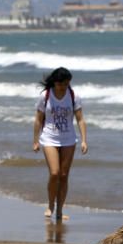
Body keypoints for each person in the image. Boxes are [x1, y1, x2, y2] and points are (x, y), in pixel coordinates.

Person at [32, 67, 87, 221]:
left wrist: (84, 140)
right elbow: (37, 120)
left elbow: (80, 119)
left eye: (67, 84)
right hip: (49, 138)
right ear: (55, 83)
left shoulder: (74, 95)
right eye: (61, 84)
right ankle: (50, 205)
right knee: (54, 173)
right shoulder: (45, 96)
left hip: (69, 139)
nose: (64, 87)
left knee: (64, 175)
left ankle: (60, 210)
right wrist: (35, 140)